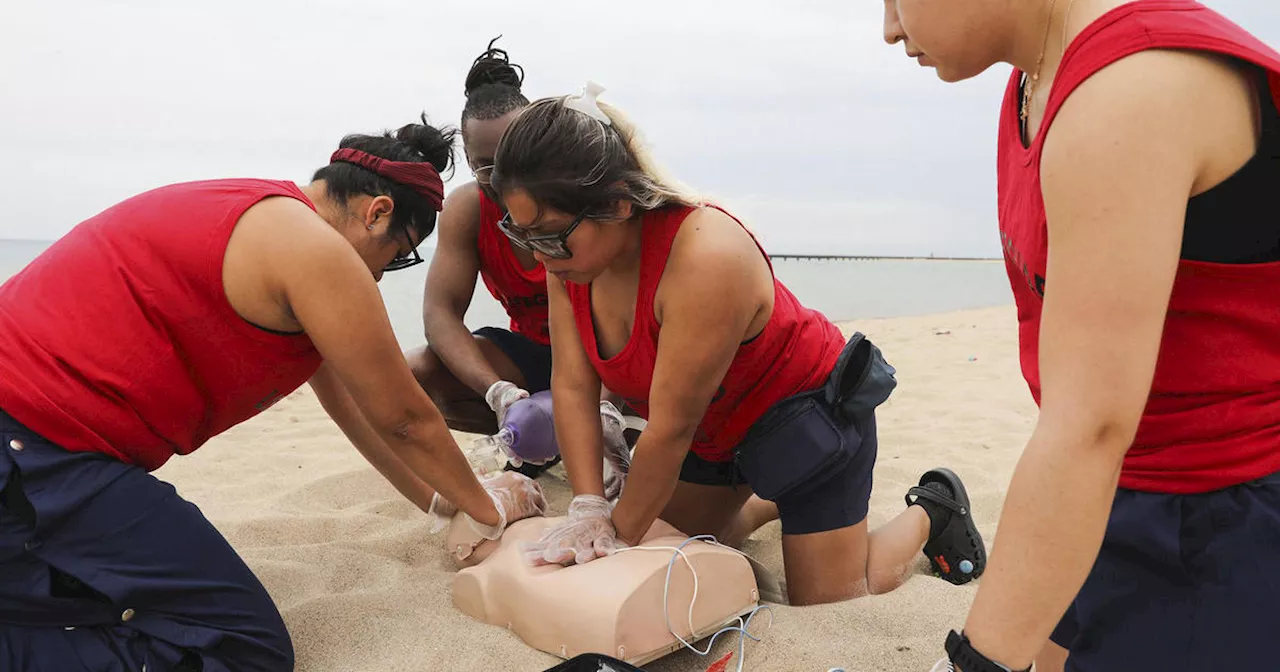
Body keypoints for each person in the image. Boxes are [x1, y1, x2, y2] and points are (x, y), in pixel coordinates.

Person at [0, 116, 547, 672]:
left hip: (41, 443)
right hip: (36, 449)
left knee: (87, 606)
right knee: (242, 648)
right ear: (376, 212)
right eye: (399, 256)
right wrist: (490, 511)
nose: (382, 278)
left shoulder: (263, 216)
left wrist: (443, 502)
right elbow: (406, 417)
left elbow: (357, 408)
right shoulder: (314, 250)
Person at [881, 0, 1280, 669]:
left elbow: (1089, 427)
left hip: (1224, 511)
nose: (889, 27)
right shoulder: (1035, 81)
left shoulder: (1130, 91)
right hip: (1114, 481)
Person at [490, 83, 988, 605]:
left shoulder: (705, 257)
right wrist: (589, 506)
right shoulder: (566, 260)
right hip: (715, 435)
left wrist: (614, 535)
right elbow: (570, 384)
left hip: (806, 420)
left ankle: (932, 509)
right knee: (670, 549)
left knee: (826, 598)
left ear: (616, 203)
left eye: (547, 235)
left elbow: (668, 430)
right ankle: (767, 499)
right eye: (520, 235)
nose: (536, 256)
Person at [406, 37, 553, 439]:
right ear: (469, 161)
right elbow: (440, 314)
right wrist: (496, 390)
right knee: (416, 372)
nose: (504, 177)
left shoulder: (570, 197)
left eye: (513, 157)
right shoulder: (469, 210)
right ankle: (531, 439)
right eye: (487, 165)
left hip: (602, 359)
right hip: (532, 356)